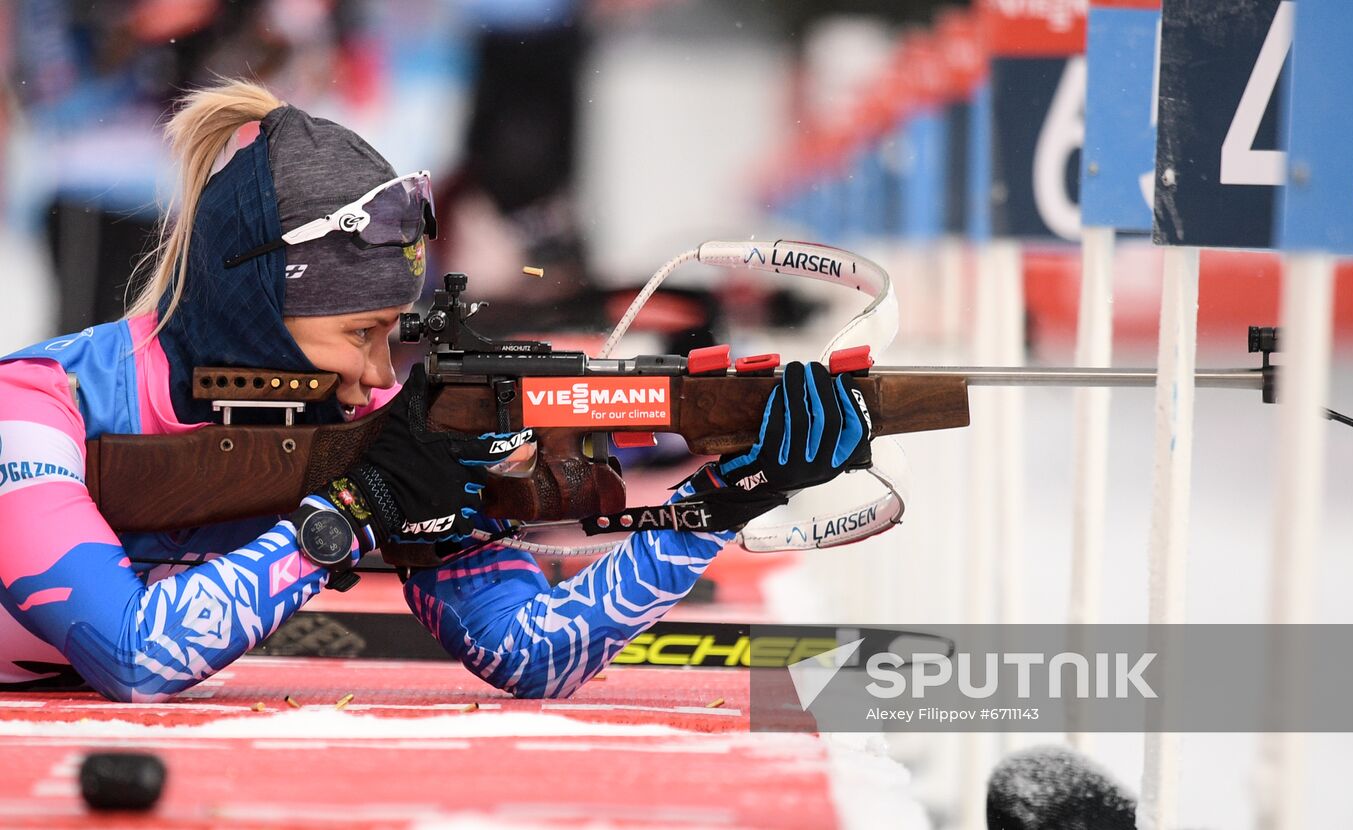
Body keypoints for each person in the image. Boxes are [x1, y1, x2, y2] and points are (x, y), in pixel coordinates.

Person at [0, 80, 871, 701]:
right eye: (357, 334)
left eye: (394, 333)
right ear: (254, 310)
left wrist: (716, 503)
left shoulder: (366, 424)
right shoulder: (35, 405)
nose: (384, 376)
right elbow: (133, 655)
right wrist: (352, 508)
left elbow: (534, 654)